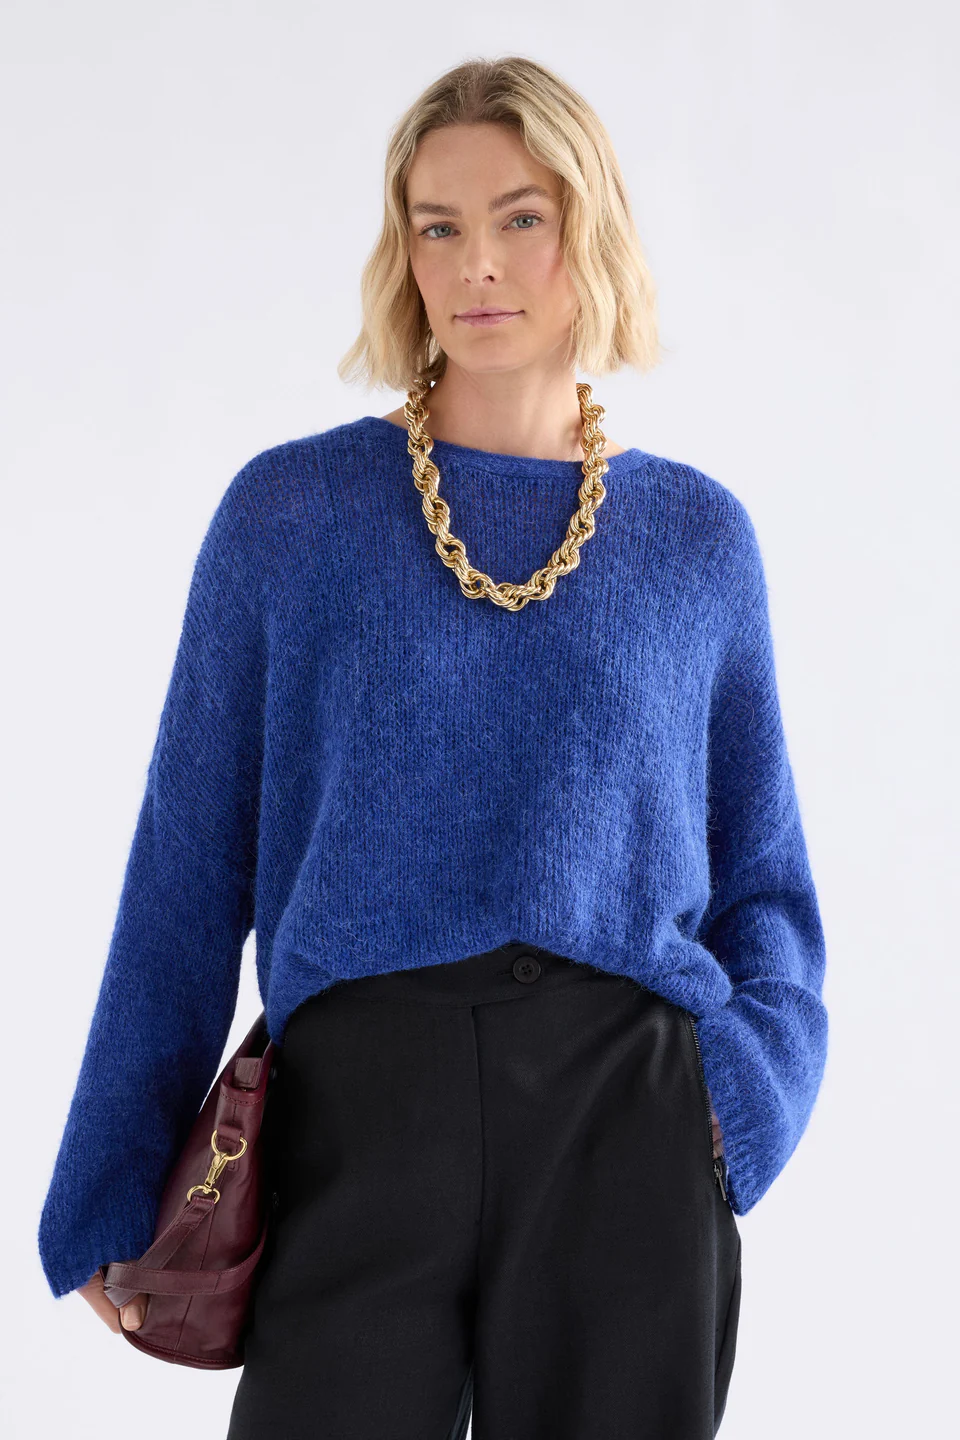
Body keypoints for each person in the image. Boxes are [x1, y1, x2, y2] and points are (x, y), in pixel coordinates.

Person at [37, 54, 828, 1438]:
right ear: (402, 252)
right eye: (438, 225)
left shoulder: (697, 542)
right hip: (358, 1114)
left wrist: (736, 1101)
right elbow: (187, 862)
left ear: (591, 228)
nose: (479, 265)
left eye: (522, 218)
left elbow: (765, 885)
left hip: (625, 1120)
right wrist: (111, 1177)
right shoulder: (290, 516)